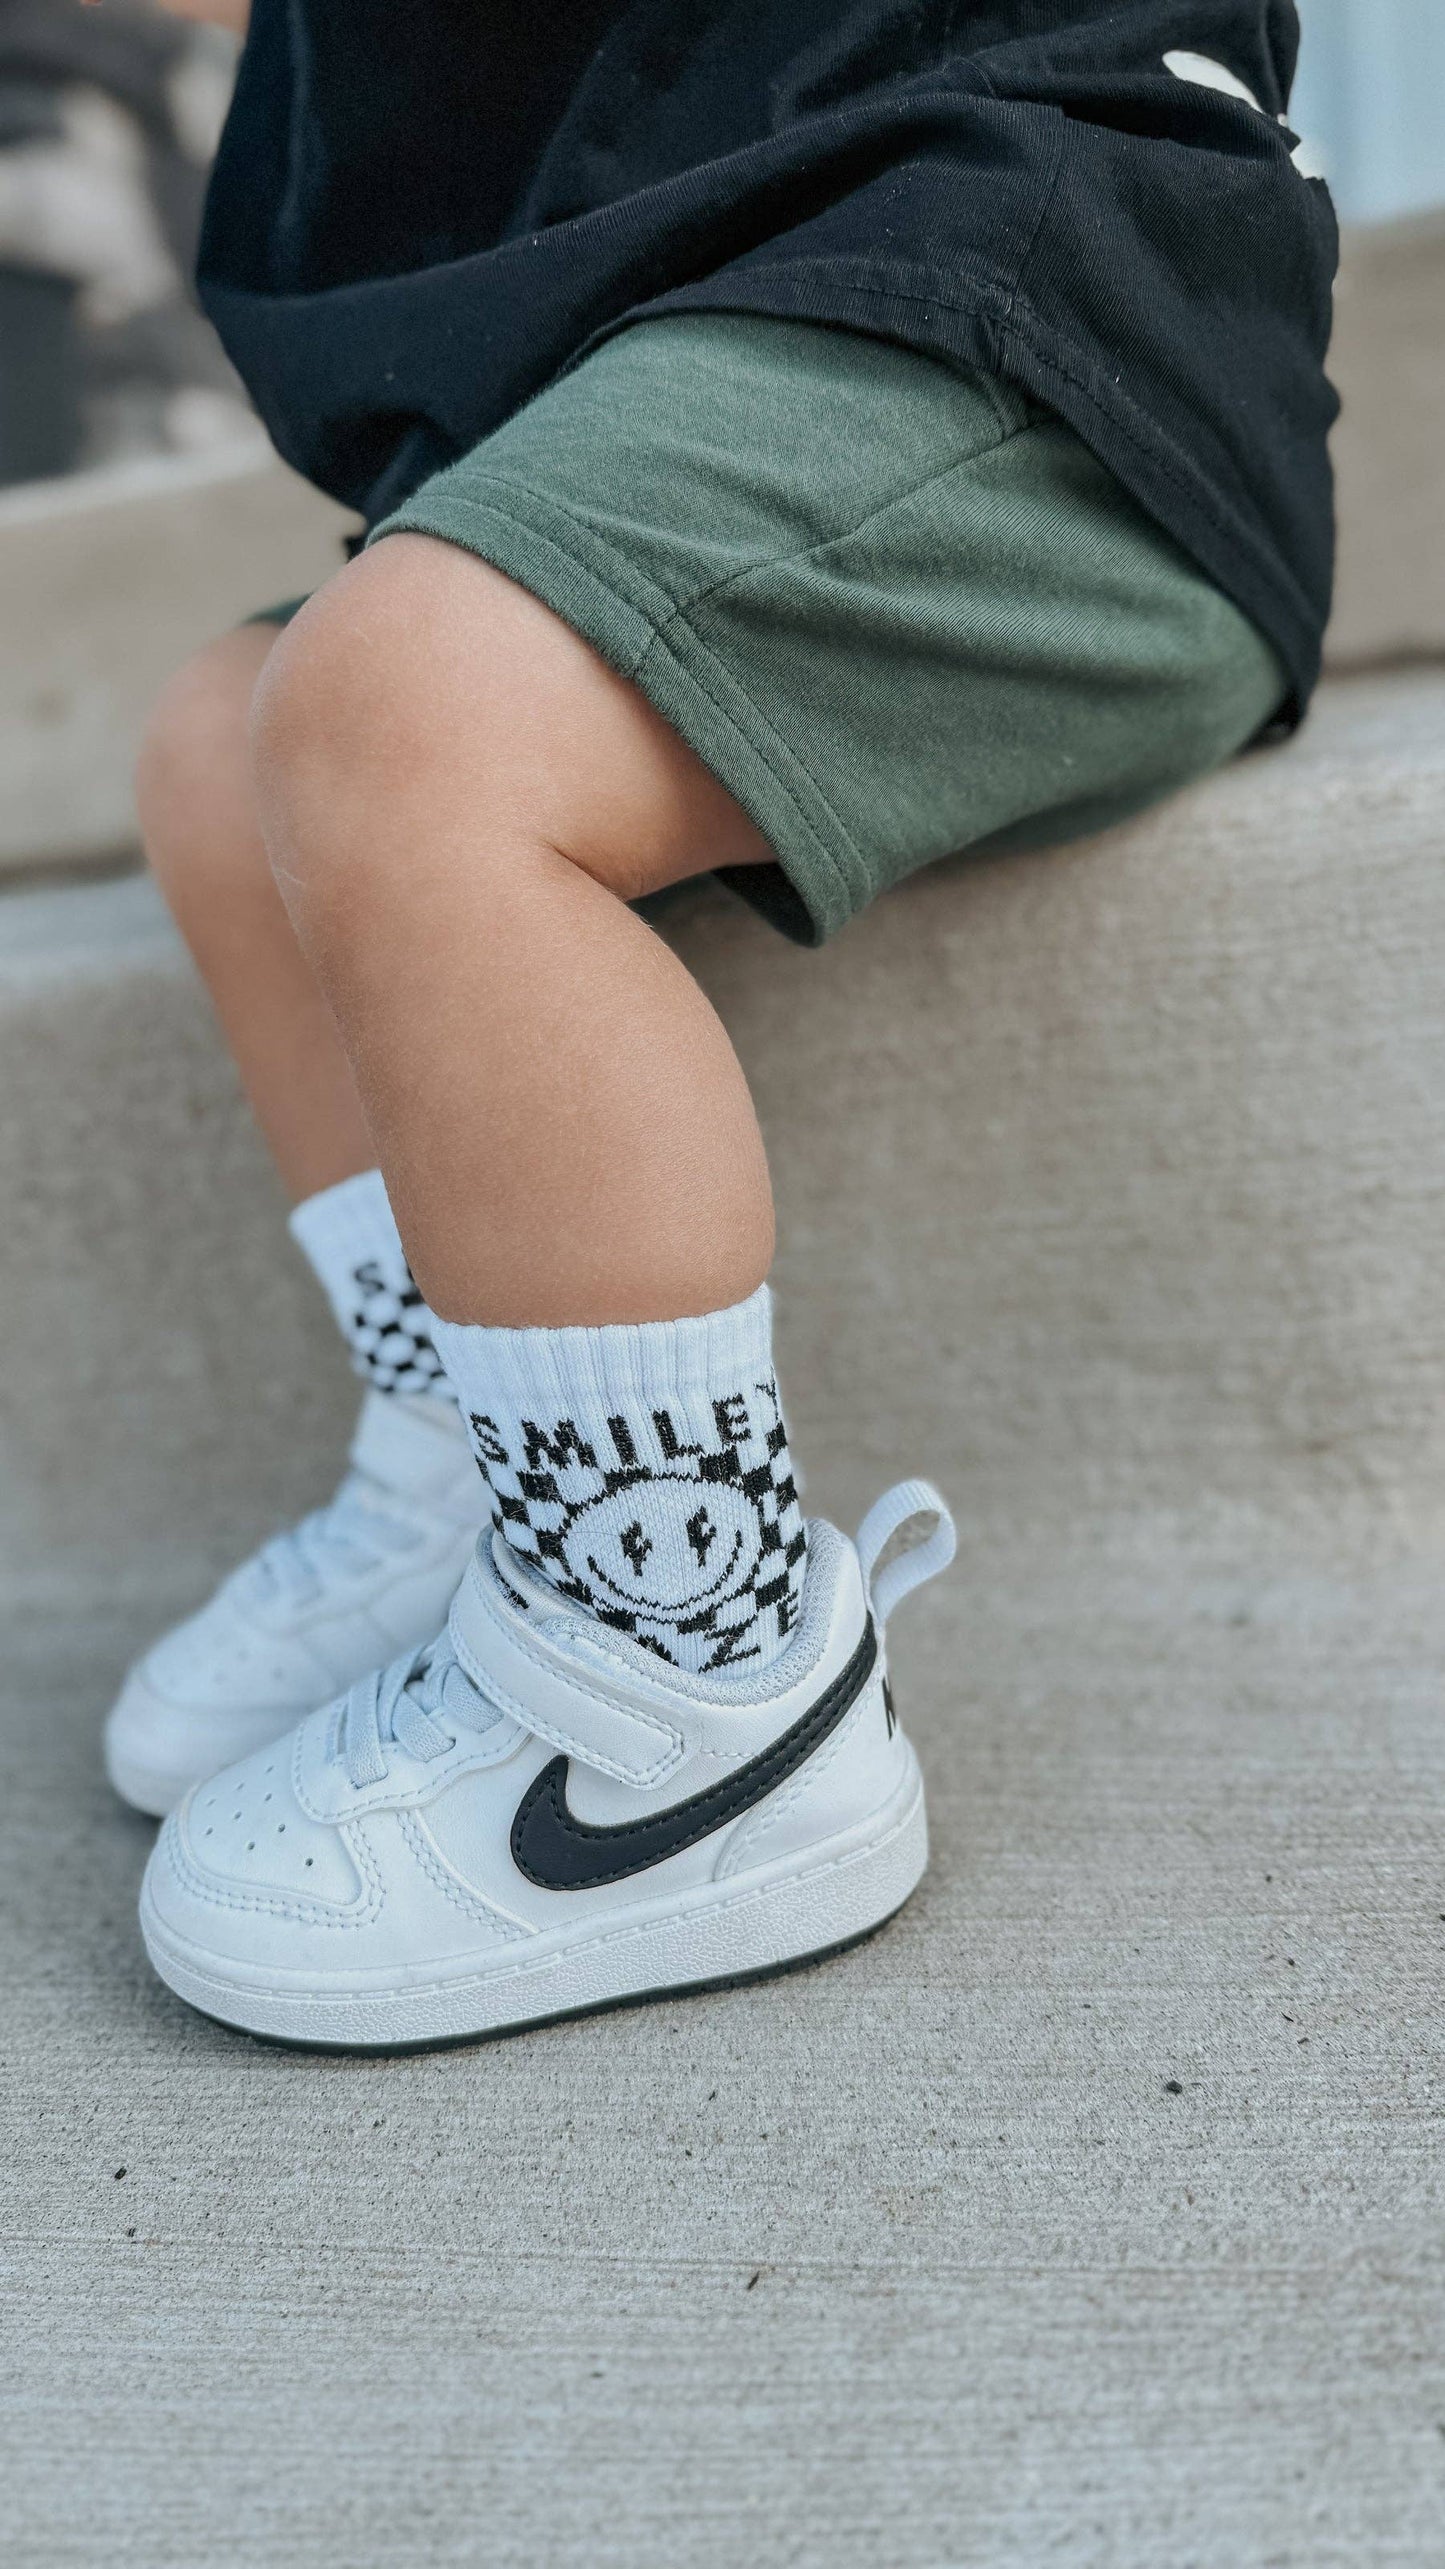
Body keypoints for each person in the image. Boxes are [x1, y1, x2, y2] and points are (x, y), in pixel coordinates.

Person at [99, 0, 1337, 2049]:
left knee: (398, 718)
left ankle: (684, 1677)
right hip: (673, 346)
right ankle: (468, 1456)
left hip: (1027, 329)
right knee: (215, 752)